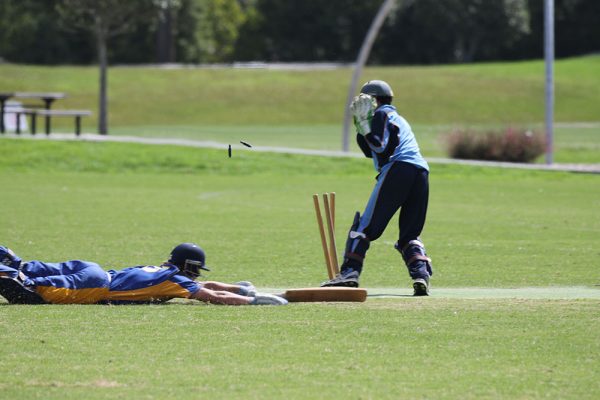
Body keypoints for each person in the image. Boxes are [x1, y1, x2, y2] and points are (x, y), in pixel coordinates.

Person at [321, 80, 433, 295]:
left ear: (373, 100)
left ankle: (349, 273)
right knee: (409, 234)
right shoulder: (398, 118)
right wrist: (362, 127)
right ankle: (421, 274)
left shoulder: (382, 114)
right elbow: (370, 149)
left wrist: (365, 126)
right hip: (420, 173)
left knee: (363, 228)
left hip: (398, 170)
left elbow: (381, 147)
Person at [0, 243, 287, 305]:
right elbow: (209, 293)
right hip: (96, 285)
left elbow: (207, 284)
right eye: (196, 269)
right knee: (28, 290)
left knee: (24, 266)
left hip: (91, 268)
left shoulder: (164, 271)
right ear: (188, 266)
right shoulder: (174, 280)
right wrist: (252, 301)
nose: (197, 275)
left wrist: (239, 287)